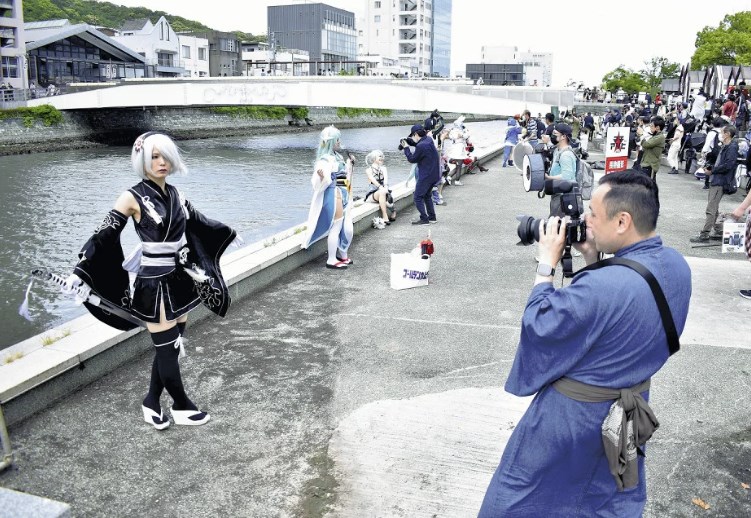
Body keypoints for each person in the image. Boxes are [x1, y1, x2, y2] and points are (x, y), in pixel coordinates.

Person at [478, 170, 692, 517]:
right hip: (626, 413)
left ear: (622, 221)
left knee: (520, 495)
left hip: (573, 420)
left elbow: (541, 326)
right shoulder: (676, 265)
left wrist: (546, 263)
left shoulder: (601, 288)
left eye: (592, 212)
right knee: (602, 496)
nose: (584, 220)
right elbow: (621, 318)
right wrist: (594, 258)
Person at [62, 132, 239, 430]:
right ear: (142, 160)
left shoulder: (177, 194)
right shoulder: (131, 196)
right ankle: (182, 406)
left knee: (169, 347)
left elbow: (200, 222)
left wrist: (228, 233)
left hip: (179, 279)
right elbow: (104, 234)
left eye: (165, 156)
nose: (161, 162)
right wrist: (80, 269)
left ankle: (151, 402)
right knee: (167, 346)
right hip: (153, 284)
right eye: (154, 157)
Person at [302, 125, 355, 269]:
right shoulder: (324, 160)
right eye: (337, 140)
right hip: (334, 193)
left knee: (345, 226)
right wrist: (323, 178)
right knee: (337, 225)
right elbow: (317, 182)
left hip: (343, 192)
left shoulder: (337, 157)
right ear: (332, 141)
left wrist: (350, 165)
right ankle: (331, 259)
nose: (339, 142)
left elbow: (345, 177)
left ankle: (341, 255)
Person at [690, 125, 740, 243]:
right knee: (714, 207)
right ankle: (718, 230)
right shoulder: (727, 146)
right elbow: (721, 163)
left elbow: (728, 165)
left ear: (727, 134)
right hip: (716, 179)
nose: (720, 135)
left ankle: (705, 234)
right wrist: (711, 168)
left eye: (722, 133)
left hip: (720, 181)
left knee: (711, 208)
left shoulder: (732, 147)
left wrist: (713, 170)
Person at [401, 124, 440, 225]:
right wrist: (411, 142)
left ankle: (424, 219)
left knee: (417, 197)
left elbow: (412, 159)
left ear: (415, 134)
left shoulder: (421, 145)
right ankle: (432, 218)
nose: (413, 137)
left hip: (426, 176)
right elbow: (422, 148)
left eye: (413, 136)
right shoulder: (428, 139)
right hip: (434, 174)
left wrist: (406, 147)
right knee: (427, 196)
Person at [546, 123, 577, 217]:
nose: (552, 136)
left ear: (563, 137)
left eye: (555, 134)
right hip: (558, 193)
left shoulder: (566, 155)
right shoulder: (558, 150)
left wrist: (549, 177)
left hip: (563, 196)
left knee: (556, 224)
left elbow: (566, 176)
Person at [364, 149, 396, 225]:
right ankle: (385, 216)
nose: (382, 158)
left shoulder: (384, 169)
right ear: (374, 158)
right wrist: (381, 187)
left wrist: (385, 187)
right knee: (382, 192)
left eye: (382, 156)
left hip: (384, 191)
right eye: (379, 156)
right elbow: (373, 180)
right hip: (373, 194)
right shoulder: (368, 170)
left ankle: (394, 211)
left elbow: (386, 181)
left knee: (387, 198)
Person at [639, 116, 666, 180]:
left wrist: (641, 135)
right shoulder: (655, 136)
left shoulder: (660, 137)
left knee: (649, 186)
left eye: (651, 126)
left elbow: (646, 144)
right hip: (647, 164)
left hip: (650, 165)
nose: (650, 128)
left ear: (657, 127)